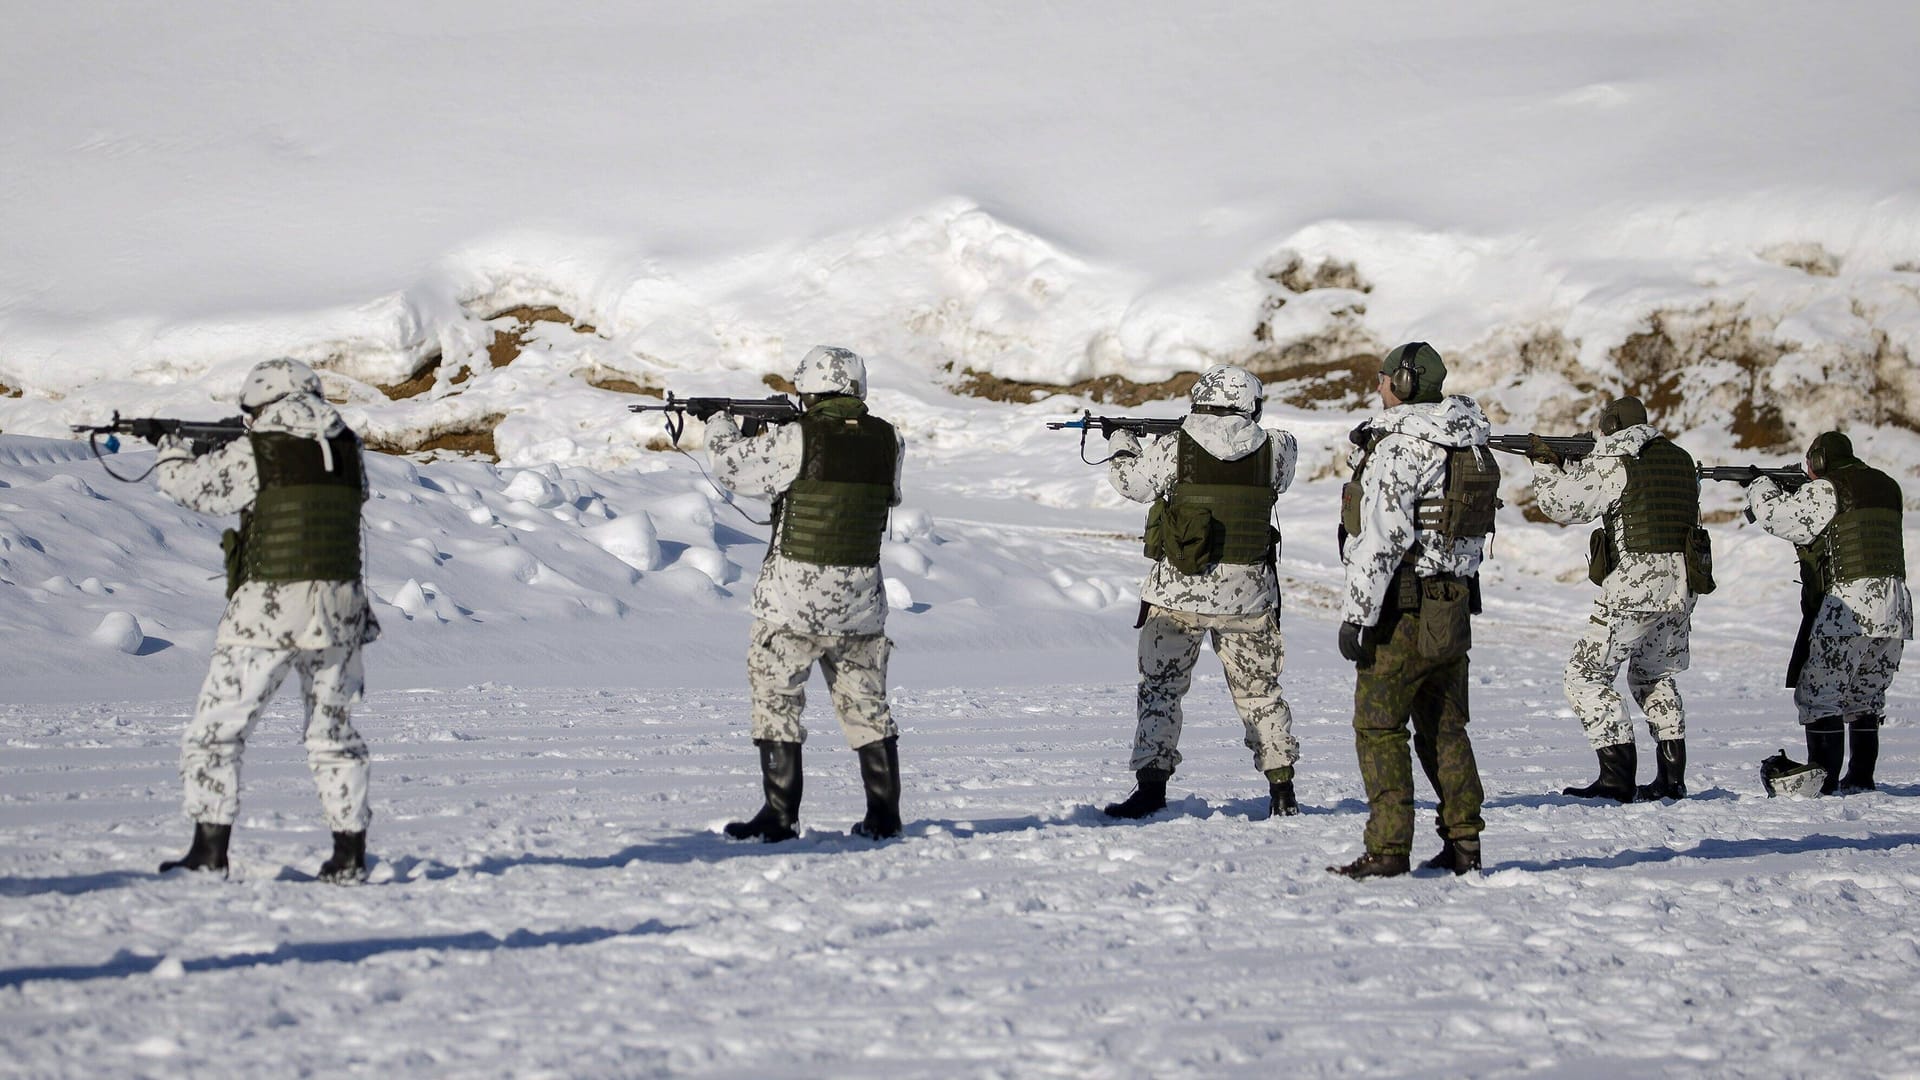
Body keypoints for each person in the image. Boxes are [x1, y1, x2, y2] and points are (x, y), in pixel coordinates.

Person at [153, 359, 379, 883]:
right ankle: (349, 857)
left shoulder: (260, 446)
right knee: (333, 734)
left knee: (217, 729)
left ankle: (209, 853)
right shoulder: (347, 447)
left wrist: (171, 448)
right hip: (342, 609)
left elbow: (197, 491)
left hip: (268, 613)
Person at [708, 346, 907, 841]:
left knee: (777, 699)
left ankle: (779, 815)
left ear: (811, 389)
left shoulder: (798, 436)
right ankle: (884, 816)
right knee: (867, 705)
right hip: (861, 603)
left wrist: (718, 424)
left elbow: (734, 470)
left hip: (793, 601)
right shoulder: (890, 439)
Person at [1099, 365, 1303, 820]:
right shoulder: (1279, 448)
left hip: (1178, 597)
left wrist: (1121, 440)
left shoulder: (1173, 448)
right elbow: (1273, 472)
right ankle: (1281, 788)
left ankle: (1150, 789)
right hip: (1248, 598)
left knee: (1160, 691)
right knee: (1260, 693)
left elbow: (1131, 483)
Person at [1331, 342, 1496, 878]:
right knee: (1445, 728)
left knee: (1378, 726)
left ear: (1402, 382)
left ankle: (1387, 849)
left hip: (1402, 608)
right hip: (1453, 605)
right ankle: (1465, 843)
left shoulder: (1403, 448)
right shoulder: (1470, 445)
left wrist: (1357, 614)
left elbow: (1383, 537)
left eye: (1383, 378)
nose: (1378, 387)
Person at [1527, 396, 1702, 802]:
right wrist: (1577, 463)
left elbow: (1562, 505)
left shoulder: (1615, 460)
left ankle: (1616, 779)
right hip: (1682, 586)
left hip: (1636, 586)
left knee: (1585, 675)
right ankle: (1671, 779)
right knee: (1654, 675)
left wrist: (1544, 464)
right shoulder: (1680, 459)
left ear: (1609, 425)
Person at [1746, 431, 1909, 793]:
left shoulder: (1827, 489)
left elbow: (1779, 518)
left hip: (1850, 608)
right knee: (1866, 695)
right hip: (1895, 607)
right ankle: (1861, 777)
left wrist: (1760, 486)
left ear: (1819, 460)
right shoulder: (1888, 485)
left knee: (1820, 694)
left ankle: (1826, 780)